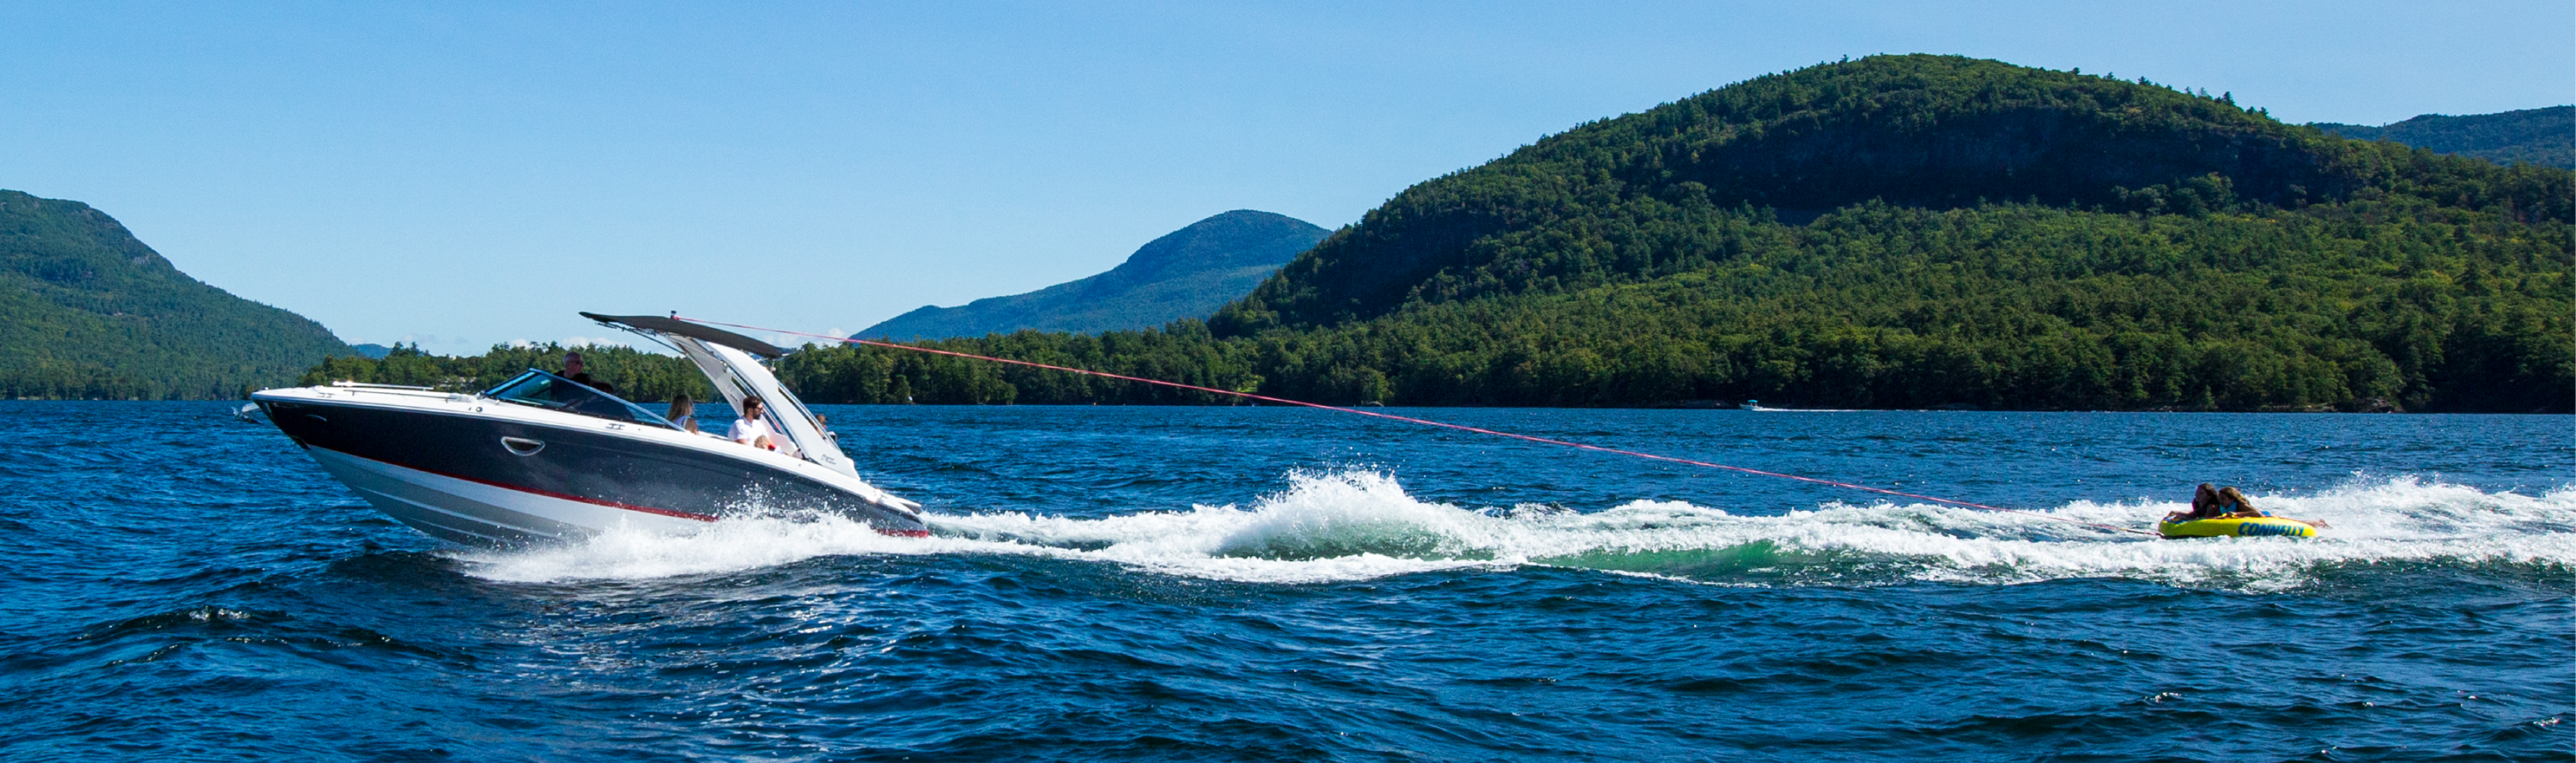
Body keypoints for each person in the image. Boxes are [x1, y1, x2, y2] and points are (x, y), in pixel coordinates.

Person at [2165, 483, 2328, 527]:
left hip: (2261, 519)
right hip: (2236, 522)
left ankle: (2317, 523)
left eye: (2201, 494)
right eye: (2196, 493)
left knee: (2293, 522)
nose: (2197, 496)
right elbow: (2197, 516)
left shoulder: (2236, 505)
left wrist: (2236, 515)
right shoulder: (2202, 504)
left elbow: (2257, 514)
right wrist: (2180, 514)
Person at [730, 396, 796, 457]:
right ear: (750, 410)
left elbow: (769, 445)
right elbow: (742, 450)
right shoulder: (740, 425)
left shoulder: (758, 425)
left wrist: (788, 456)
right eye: (759, 409)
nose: (762, 412)